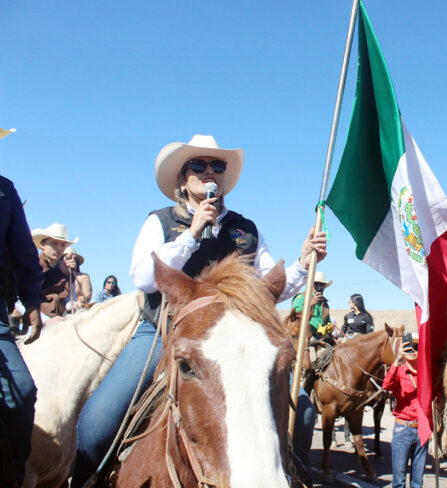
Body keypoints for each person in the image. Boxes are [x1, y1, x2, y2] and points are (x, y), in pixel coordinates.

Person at [71, 134, 327, 486]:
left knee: (303, 410)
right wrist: (192, 233)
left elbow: (269, 288)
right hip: (163, 328)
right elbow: (143, 276)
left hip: (235, 335)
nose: (209, 172)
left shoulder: (246, 230)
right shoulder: (160, 222)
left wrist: (303, 261)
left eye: (217, 166)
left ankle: (294, 473)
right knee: (97, 423)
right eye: (199, 165)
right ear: (182, 178)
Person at [0, 172, 43, 486]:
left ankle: (12, 477)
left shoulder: (4, 190)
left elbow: (24, 255)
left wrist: (31, 302)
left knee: (21, 392)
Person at [383, 333, 427, 488]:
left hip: (421, 429)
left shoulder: (425, 373)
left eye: (416, 347)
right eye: (408, 348)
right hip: (403, 428)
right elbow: (386, 385)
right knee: (399, 482)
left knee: (417, 482)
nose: (412, 351)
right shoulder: (400, 371)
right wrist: (397, 360)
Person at [29, 223, 79, 320]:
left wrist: (73, 304)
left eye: (63, 245)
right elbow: (19, 301)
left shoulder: (67, 269)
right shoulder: (31, 266)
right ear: (42, 245)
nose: (59, 248)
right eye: (54, 243)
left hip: (60, 320)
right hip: (32, 322)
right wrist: (44, 320)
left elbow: (69, 298)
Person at [291, 271, 334, 340]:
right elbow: (297, 317)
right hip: (304, 337)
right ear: (310, 284)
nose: (319, 287)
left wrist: (329, 327)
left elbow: (327, 322)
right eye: (316, 284)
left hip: (321, 337)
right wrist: (311, 304)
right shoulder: (301, 298)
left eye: (322, 284)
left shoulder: (325, 304)